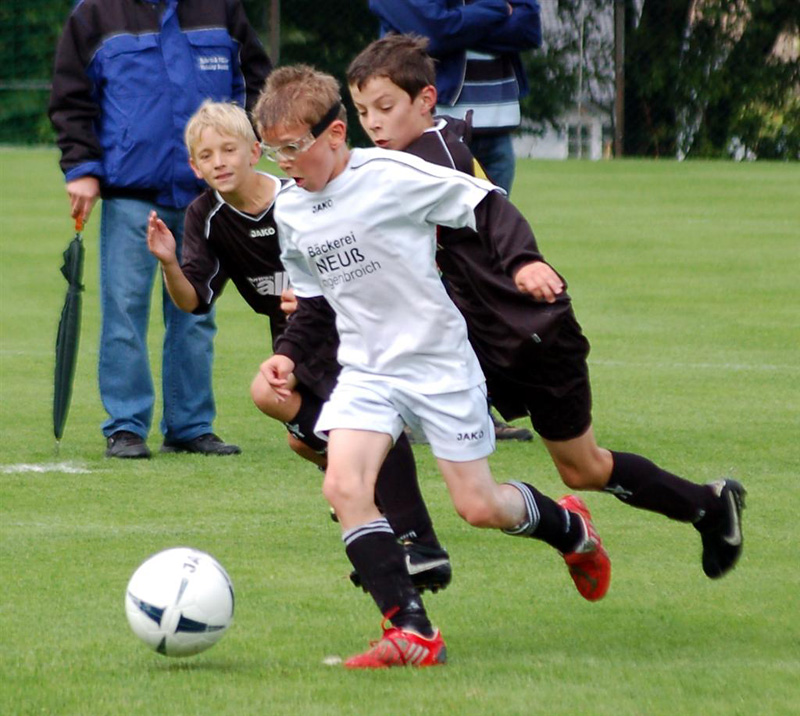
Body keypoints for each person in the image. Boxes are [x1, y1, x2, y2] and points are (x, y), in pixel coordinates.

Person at [345, 33, 746, 586]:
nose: (373, 123)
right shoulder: (399, 160)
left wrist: (524, 262)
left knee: (583, 469)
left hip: (533, 333)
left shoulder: (437, 158)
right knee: (378, 405)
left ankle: (709, 505)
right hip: (472, 341)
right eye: (363, 111)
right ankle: (415, 542)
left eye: (385, 107)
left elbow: (495, 212)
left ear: (426, 100)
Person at [253, 64, 612, 669]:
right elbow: (313, 301)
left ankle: (569, 527)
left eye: (293, 147)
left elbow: (486, 204)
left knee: (479, 506)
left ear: (335, 134)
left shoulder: (391, 175)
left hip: (437, 363)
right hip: (366, 371)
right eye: (274, 151)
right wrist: (287, 354)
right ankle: (411, 630)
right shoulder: (289, 209)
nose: (284, 162)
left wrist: (524, 261)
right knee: (343, 486)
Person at [146, 100, 452, 593]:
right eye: (207, 155)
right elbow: (193, 301)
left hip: (346, 328)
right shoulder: (205, 215)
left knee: (356, 425)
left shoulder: (298, 196)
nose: (219, 162)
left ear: (255, 152)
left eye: (229, 149)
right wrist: (168, 263)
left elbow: (356, 255)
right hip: (295, 341)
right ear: (194, 167)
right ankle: (370, 506)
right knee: (300, 433)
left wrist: (317, 290)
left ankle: (415, 540)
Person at [48, 0, 270, 458]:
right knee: (124, 311)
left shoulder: (221, 7)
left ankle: (190, 425)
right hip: (130, 192)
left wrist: (248, 144)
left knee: (197, 312)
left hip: (204, 197)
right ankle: (126, 427)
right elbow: (71, 99)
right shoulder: (94, 13)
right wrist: (81, 167)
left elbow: (256, 83)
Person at [367, 0, 542, 196]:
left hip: (497, 130)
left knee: (494, 216)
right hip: (431, 130)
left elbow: (530, 30)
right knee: (428, 215)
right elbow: (433, 33)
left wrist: (458, 28)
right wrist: (499, 8)